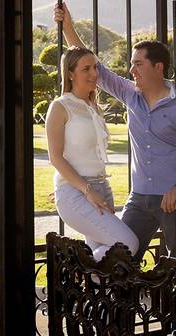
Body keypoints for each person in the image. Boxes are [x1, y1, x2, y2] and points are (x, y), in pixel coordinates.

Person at [54, 2, 176, 260]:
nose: (131, 71)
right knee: (122, 257)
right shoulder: (131, 95)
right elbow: (95, 66)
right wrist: (68, 27)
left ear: (158, 67)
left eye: (138, 64)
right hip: (139, 199)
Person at [47, 45, 139, 261]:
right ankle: (77, 270)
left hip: (102, 189)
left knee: (108, 257)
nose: (94, 74)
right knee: (126, 245)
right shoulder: (60, 107)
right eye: (86, 69)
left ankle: (88, 287)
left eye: (95, 67)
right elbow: (56, 158)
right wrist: (84, 189)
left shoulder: (93, 106)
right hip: (78, 192)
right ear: (70, 73)